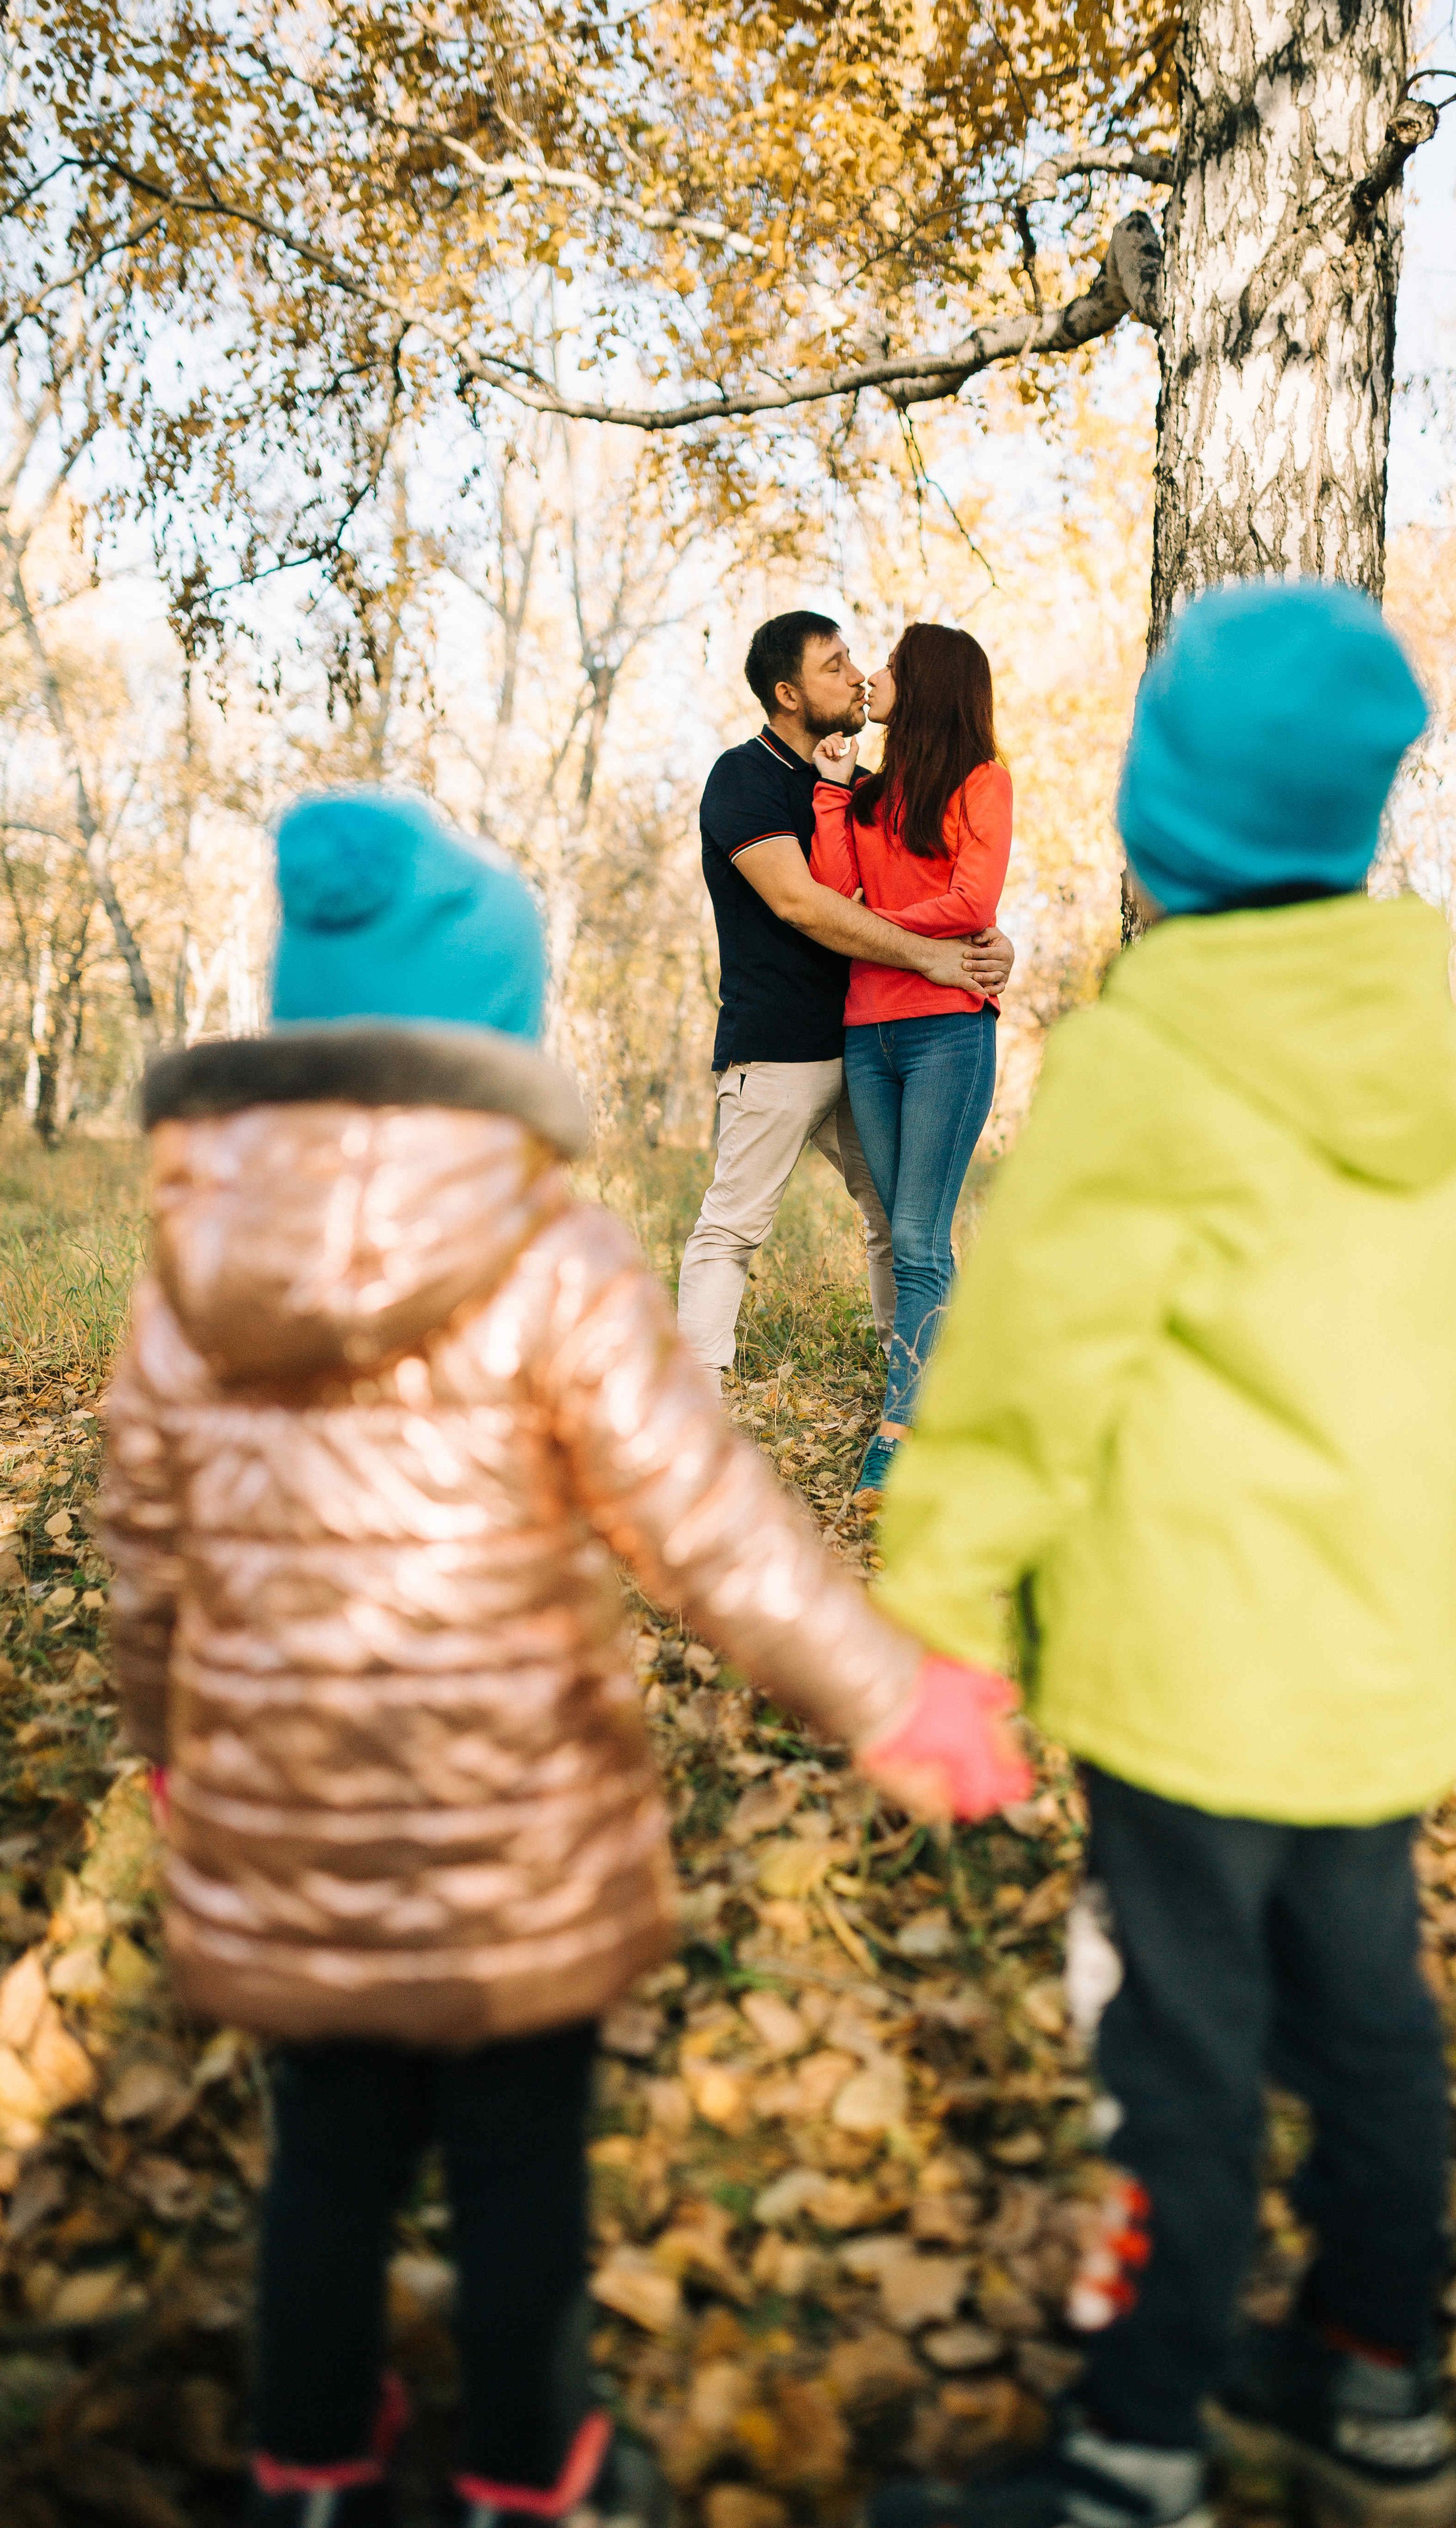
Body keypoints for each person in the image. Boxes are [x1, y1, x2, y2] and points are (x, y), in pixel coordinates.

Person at [97, 787, 1032, 2528]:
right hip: (511, 1853)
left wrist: (170, 1741)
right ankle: (528, 2470)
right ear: (497, 1035)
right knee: (519, 2176)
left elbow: (145, 1549)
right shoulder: (547, 1252)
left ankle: (305, 2456)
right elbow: (707, 1527)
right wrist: (885, 1691)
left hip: (287, 1829)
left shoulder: (187, 1266)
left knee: (329, 2159)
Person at [867, 583, 1456, 2528]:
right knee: (1375, 2035)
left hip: (1192, 1677)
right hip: (1371, 1678)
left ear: (1159, 817)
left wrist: (942, 1627)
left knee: (1182, 2061)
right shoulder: (1419, 1057)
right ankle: (1379, 2379)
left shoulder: (1153, 1059)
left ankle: (1133, 2444)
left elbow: (1019, 1374)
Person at [677, 610, 1015, 1393]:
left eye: (857, 659)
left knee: (898, 1229)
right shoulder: (744, 777)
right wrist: (932, 954)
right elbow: (806, 905)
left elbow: (936, 888)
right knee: (733, 1226)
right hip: (778, 1047)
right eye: (835, 666)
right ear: (788, 693)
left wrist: (992, 948)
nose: (858, 674)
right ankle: (693, 1401)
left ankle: (917, 1387)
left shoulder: (858, 790)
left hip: (870, 1043)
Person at [809, 623, 1010, 1500]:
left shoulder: (982, 784)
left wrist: (879, 930)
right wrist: (828, 790)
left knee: (922, 1235)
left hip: (947, 1033)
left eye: (891, 663)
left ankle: (899, 1434)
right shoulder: (868, 792)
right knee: (905, 1235)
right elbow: (827, 892)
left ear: (927, 684)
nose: (874, 675)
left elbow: (975, 901)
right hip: (867, 1032)